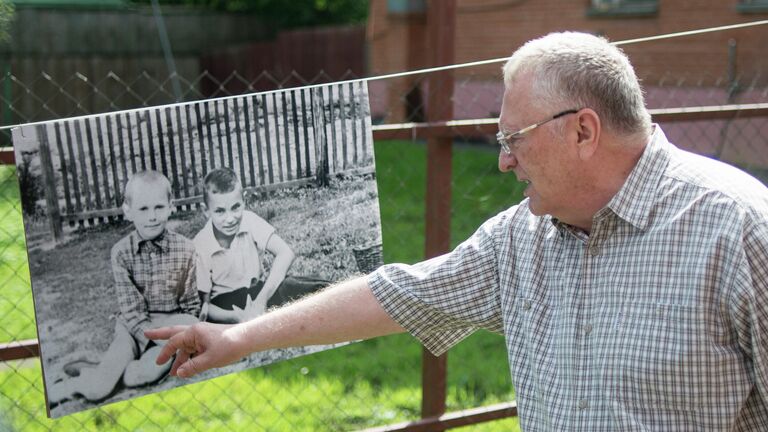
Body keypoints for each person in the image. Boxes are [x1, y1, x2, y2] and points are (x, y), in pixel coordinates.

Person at [147, 32, 768, 430]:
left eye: (512, 141)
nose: (502, 160)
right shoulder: (521, 238)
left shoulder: (736, 230)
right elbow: (397, 294)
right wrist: (241, 337)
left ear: (583, 131)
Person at [48, 170, 200, 404]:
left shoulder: (186, 249)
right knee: (99, 390)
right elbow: (132, 314)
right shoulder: (120, 252)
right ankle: (75, 384)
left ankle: (103, 368)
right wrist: (171, 343)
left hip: (168, 324)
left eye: (159, 207)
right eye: (143, 209)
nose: (152, 217)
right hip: (131, 328)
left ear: (171, 206)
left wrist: (178, 337)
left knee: (140, 375)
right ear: (128, 211)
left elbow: (190, 308)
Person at [195, 168, 327, 324]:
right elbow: (204, 305)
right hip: (225, 308)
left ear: (244, 201)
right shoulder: (200, 244)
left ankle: (347, 298)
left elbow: (285, 253)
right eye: (220, 211)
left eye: (235, 207)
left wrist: (260, 301)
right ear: (206, 211)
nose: (230, 219)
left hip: (258, 293)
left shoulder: (249, 220)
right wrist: (236, 317)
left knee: (296, 286)